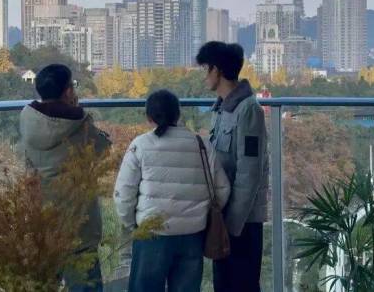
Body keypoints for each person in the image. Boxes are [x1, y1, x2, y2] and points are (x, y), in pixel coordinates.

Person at [113, 89, 230, 292]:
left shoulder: (140, 145)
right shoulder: (201, 144)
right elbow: (222, 189)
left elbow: (123, 194)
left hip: (152, 234)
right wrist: (201, 216)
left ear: (149, 117)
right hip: (192, 234)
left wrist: (133, 225)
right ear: (178, 114)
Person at [16, 64, 111, 292]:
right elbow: (104, 149)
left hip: (42, 218)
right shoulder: (80, 124)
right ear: (68, 91)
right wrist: (79, 111)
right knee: (85, 284)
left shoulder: (27, 119)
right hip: (78, 221)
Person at [196, 41, 269, 292]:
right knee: (224, 283)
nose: (204, 76)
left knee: (242, 283)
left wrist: (232, 226)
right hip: (223, 218)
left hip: (242, 222)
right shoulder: (222, 108)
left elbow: (250, 172)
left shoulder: (248, 110)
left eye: (206, 69)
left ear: (217, 70)